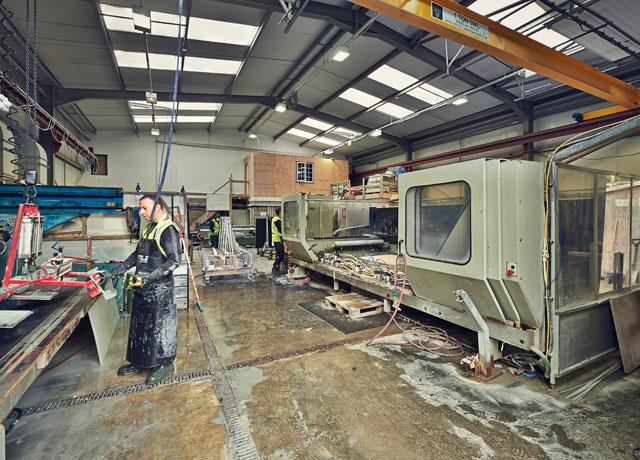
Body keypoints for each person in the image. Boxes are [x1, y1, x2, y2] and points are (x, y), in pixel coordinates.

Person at [106, 194, 182, 384]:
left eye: (144, 208)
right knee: (139, 326)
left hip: (160, 291)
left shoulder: (168, 230)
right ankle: (139, 361)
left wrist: (151, 277)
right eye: (140, 208)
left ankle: (165, 363)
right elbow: (137, 253)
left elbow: (175, 261)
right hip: (142, 287)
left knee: (160, 327)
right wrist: (119, 269)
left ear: (158, 208)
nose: (141, 212)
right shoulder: (148, 228)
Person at [271, 207, 285, 275]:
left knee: (279, 254)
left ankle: (277, 268)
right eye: (282, 212)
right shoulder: (277, 220)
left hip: (278, 239)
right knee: (280, 254)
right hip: (277, 239)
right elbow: (281, 230)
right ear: (279, 213)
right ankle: (275, 269)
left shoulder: (278, 219)